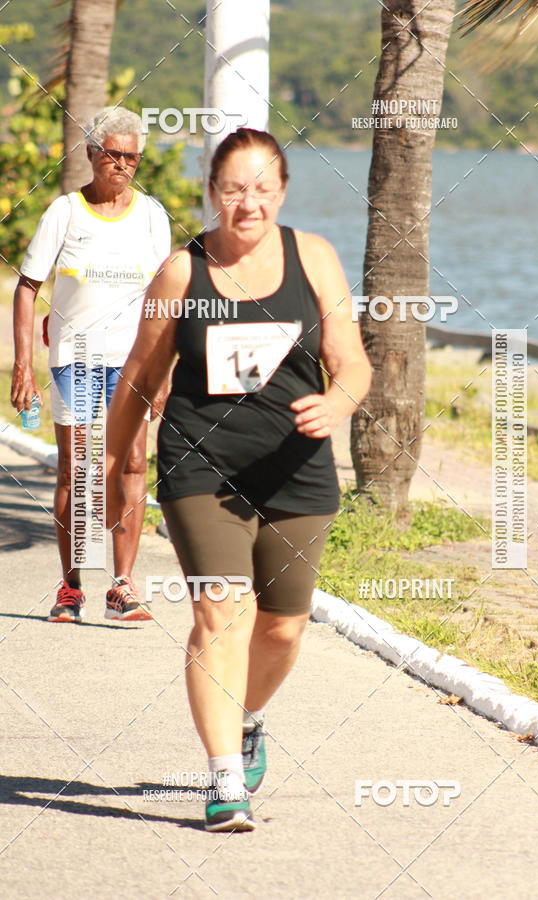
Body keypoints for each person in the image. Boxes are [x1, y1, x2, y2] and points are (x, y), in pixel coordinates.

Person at [105, 127, 372, 831]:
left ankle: (246, 718)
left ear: (281, 192)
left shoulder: (313, 258)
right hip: (200, 463)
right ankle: (225, 779)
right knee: (220, 611)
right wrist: (111, 466)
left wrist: (338, 402)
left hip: (295, 465)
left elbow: (352, 361)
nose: (248, 203)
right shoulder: (181, 273)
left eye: (262, 189)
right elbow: (139, 377)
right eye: (233, 189)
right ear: (212, 191)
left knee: (282, 628)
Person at [11, 106, 171, 623]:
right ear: (91, 153)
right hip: (75, 358)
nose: (122, 165)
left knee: (132, 465)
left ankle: (122, 585)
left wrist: (166, 369)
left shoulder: (151, 215)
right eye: (113, 154)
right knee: (77, 469)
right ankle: (72, 586)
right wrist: (23, 366)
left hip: (134, 361)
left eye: (132, 157)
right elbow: (27, 287)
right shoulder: (65, 212)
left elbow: (167, 296)